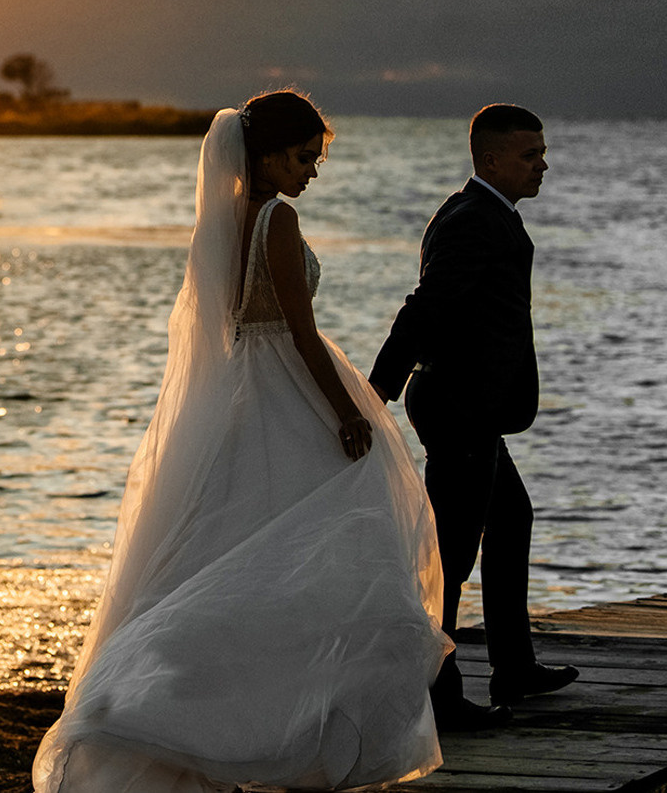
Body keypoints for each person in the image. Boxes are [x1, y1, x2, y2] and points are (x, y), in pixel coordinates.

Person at [34, 91, 450, 793]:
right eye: (302, 158)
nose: (309, 172)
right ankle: (293, 730)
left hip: (241, 392)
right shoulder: (276, 219)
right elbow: (298, 331)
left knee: (232, 553)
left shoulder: (224, 220)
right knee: (330, 546)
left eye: (314, 161)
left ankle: (190, 715)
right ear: (267, 155)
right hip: (285, 385)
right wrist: (345, 412)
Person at [370, 103, 577, 729]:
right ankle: (438, 693)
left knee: (510, 519)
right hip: (459, 407)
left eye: (543, 153)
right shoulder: (473, 221)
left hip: (473, 407)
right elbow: (426, 307)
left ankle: (515, 666)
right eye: (530, 155)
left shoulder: (482, 212)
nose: (542, 165)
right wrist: (376, 389)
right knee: (452, 555)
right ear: (491, 159)